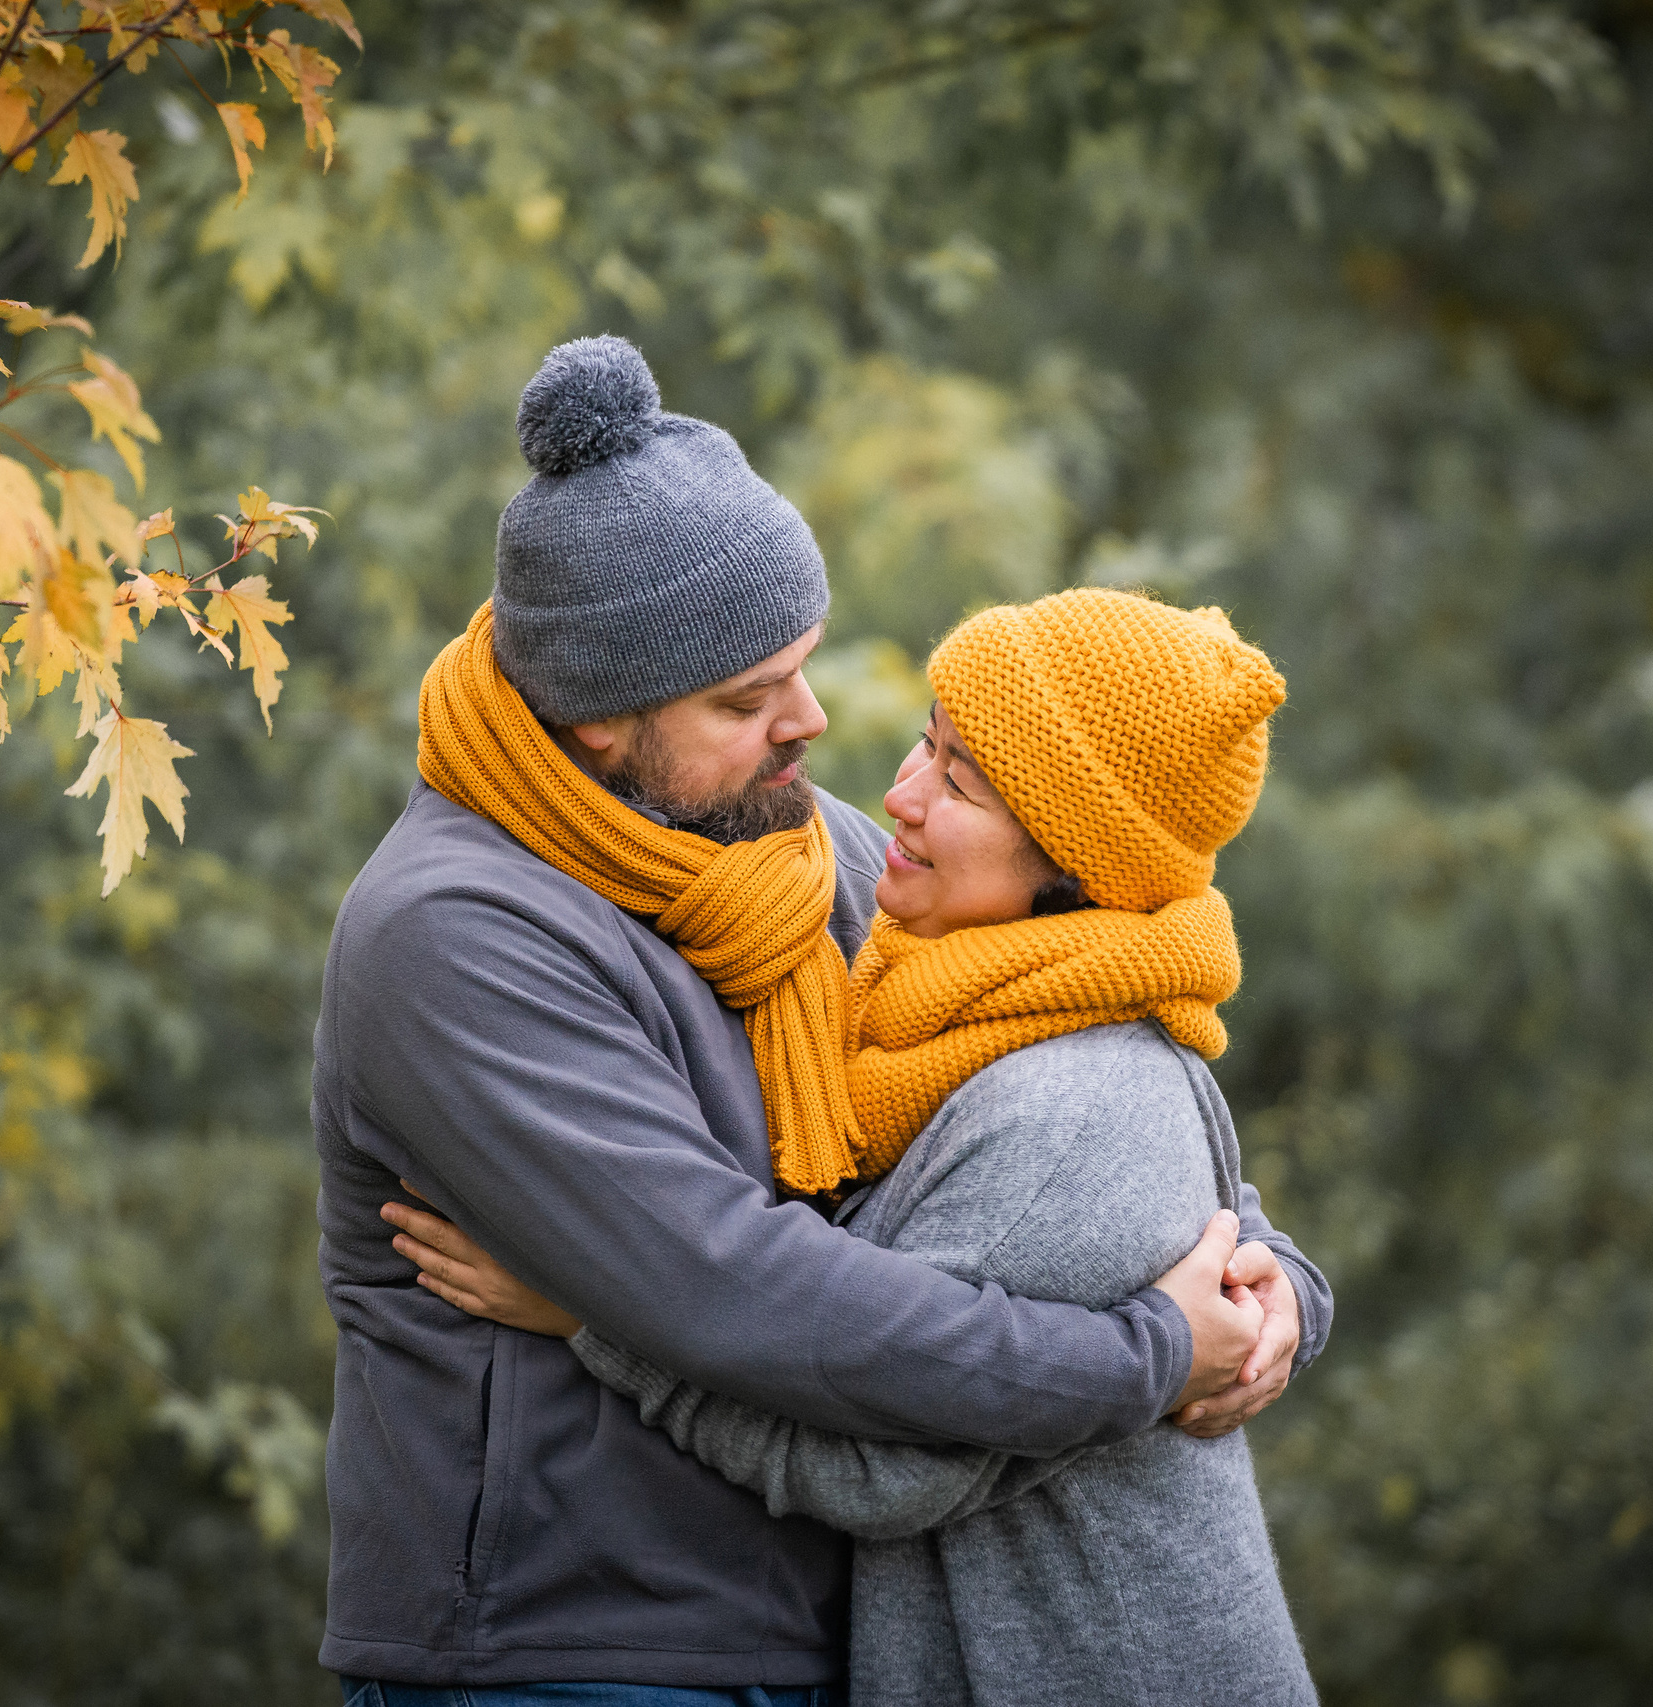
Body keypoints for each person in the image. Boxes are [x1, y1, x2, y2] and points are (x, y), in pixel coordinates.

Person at [312, 334, 1329, 1704]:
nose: (810, 721)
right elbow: (733, 1287)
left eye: (802, 667)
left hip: (809, 1632)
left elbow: (1064, 1053)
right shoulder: (455, 934)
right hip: (566, 1648)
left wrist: (1274, 1286)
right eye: (747, 698)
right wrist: (1149, 1354)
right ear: (599, 718)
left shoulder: (795, 848)